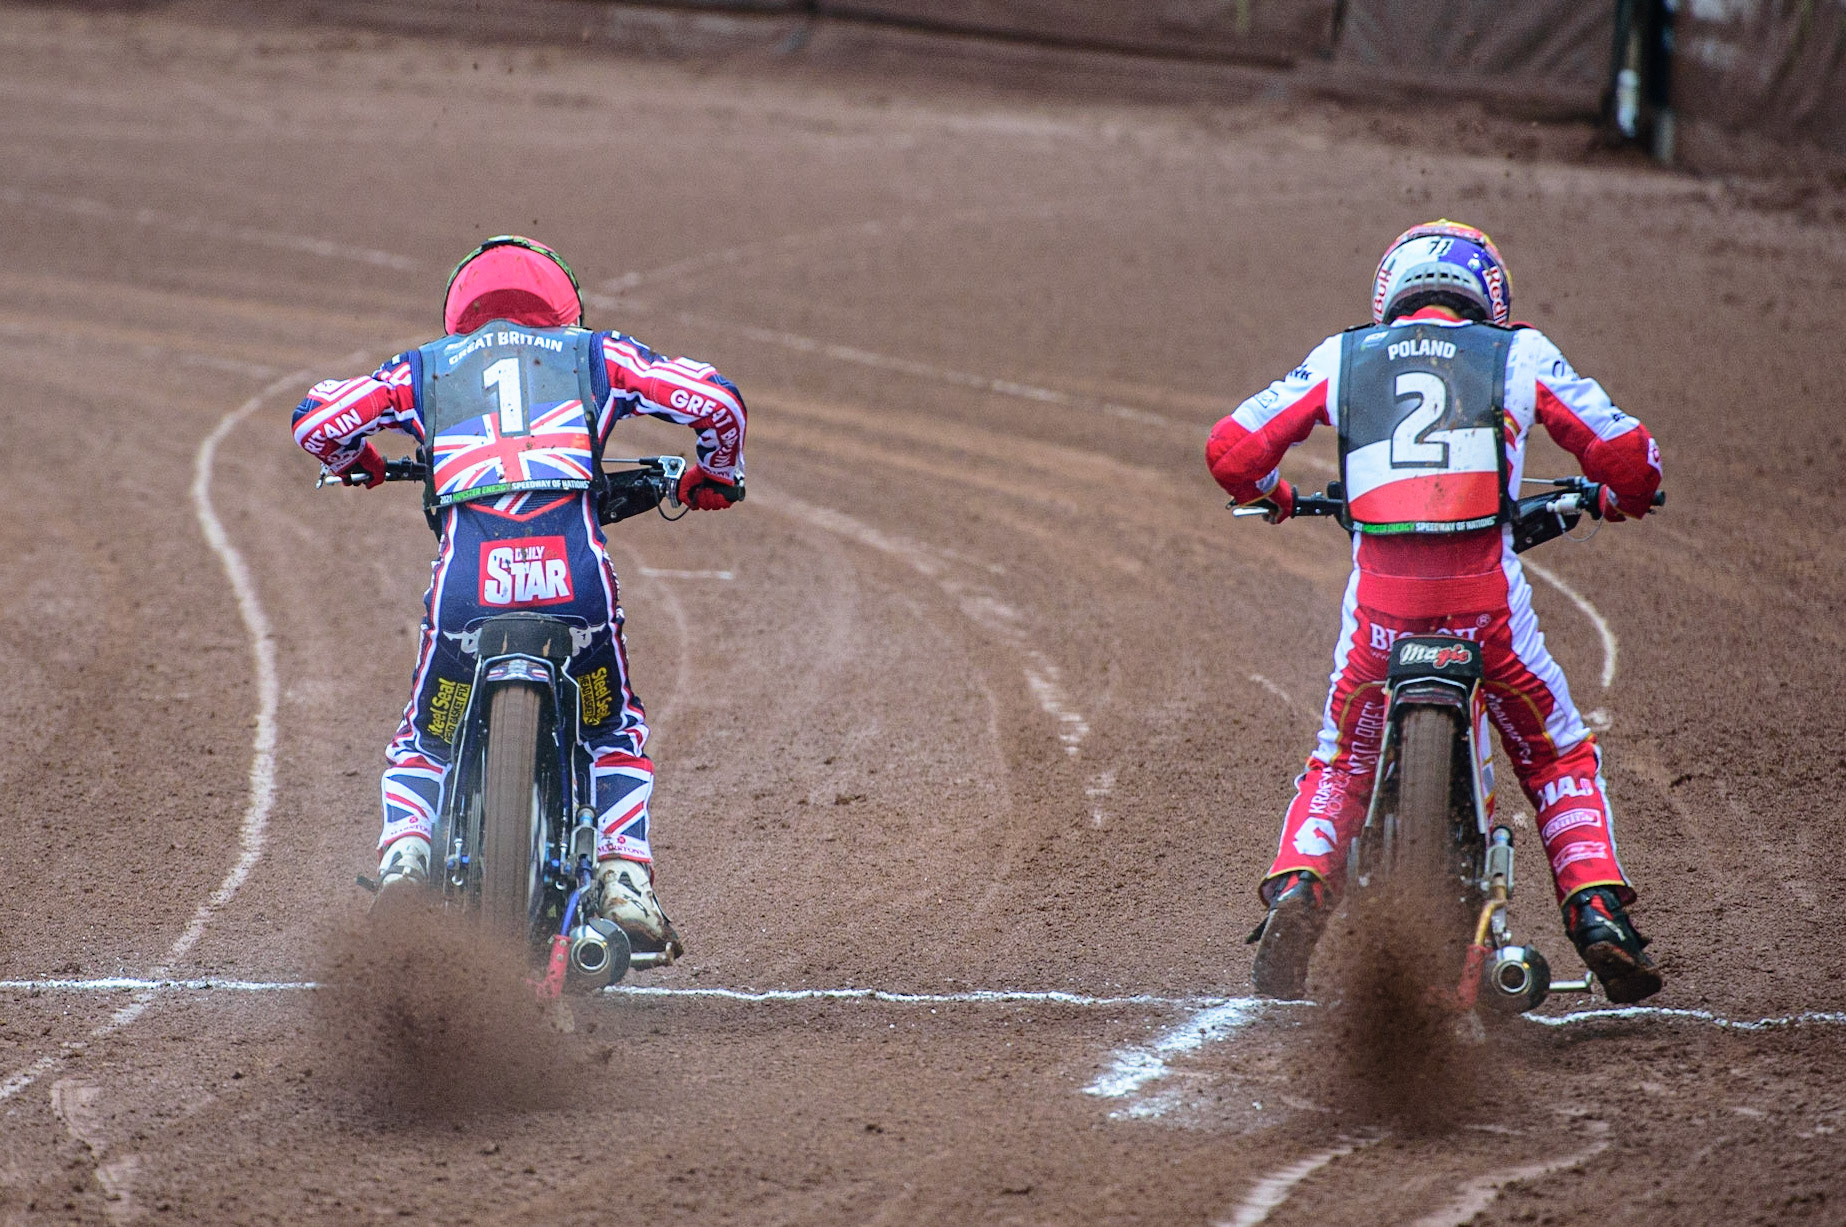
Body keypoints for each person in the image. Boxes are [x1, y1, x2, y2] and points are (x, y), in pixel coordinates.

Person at [1206, 220, 1663, 1004]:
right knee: (1555, 753)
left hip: (1381, 614)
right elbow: (1631, 460)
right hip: (1486, 607)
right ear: (1489, 294)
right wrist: (1622, 498)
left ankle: (1301, 886)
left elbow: (1232, 451)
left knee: (1342, 758)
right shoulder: (1518, 352)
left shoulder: (1341, 355)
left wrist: (1271, 496)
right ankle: (1594, 908)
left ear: (1390, 291)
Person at [292, 235, 746, 960]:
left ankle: (405, 862)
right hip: (575, 576)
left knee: (427, 733)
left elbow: (318, 421)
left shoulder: (426, 368)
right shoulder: (596, 354)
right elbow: (716, 402)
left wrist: (361, 462)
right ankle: (624, 874)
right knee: (610, 726)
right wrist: (715, 474)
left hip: (467, 582)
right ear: (561, 305)